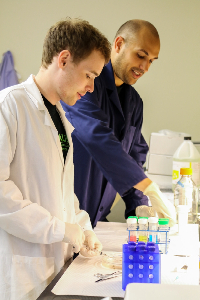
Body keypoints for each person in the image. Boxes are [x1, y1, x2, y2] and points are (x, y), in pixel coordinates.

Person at [0, 18, 111, 300]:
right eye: (89, 75)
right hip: (20, 271)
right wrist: (61, 230)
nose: (91, 87)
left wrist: (83, 228)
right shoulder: (10, 106)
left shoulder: (60, 117)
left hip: (53, 270)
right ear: (63, 59)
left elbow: (61, 193)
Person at [61, 19, 176, 227]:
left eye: (151, 61)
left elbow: (133, 157)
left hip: (97, 220)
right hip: (68, 215)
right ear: (118, 45)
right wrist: (148, 186)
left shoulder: (134, 103)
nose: (145, 67)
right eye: (140, 56)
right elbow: (97, 137)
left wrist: (140, 209)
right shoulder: (86, 86)